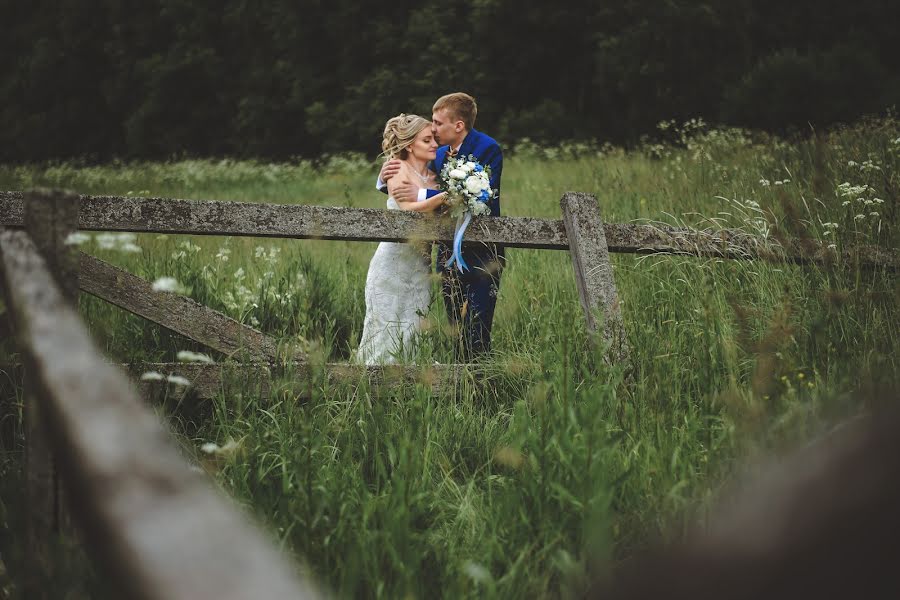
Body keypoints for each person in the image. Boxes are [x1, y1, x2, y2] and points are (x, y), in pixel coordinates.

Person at [379, 92, 504, 361]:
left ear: (458, 125)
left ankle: (480, 385)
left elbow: (472, 197)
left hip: (483, 254)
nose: (432, 129)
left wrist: (428, 194)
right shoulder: (437, 155)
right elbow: (412, 175)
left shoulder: (488, 148)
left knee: (478, 328)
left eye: (437, 123)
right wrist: (384, 179)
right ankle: (460, 385)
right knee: (455, 328)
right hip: (447, 254)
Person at [356, 114, 447, 365]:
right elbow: (408, 208)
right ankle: (374, 386)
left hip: (421, 263)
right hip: (394, 261)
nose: (434, 145)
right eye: (426, 140)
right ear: (409, 145)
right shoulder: (396, 169)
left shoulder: (436, 177)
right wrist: (445, 198)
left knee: (414, 326)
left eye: (433, 140)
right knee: (386, 324)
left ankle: (411, 386)